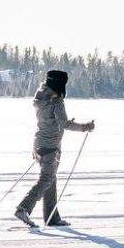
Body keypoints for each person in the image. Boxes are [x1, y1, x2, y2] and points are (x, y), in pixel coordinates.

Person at [15, 70, 95, 228]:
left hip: (38, 143)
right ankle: (23, 208)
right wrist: (85, 127)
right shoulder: (56, 100)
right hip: (51, 146)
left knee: (50, 179)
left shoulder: (41, 97)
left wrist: (60, 123)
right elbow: (64, 123)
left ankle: (52, 217)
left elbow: (51, 120)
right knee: (46, 179)